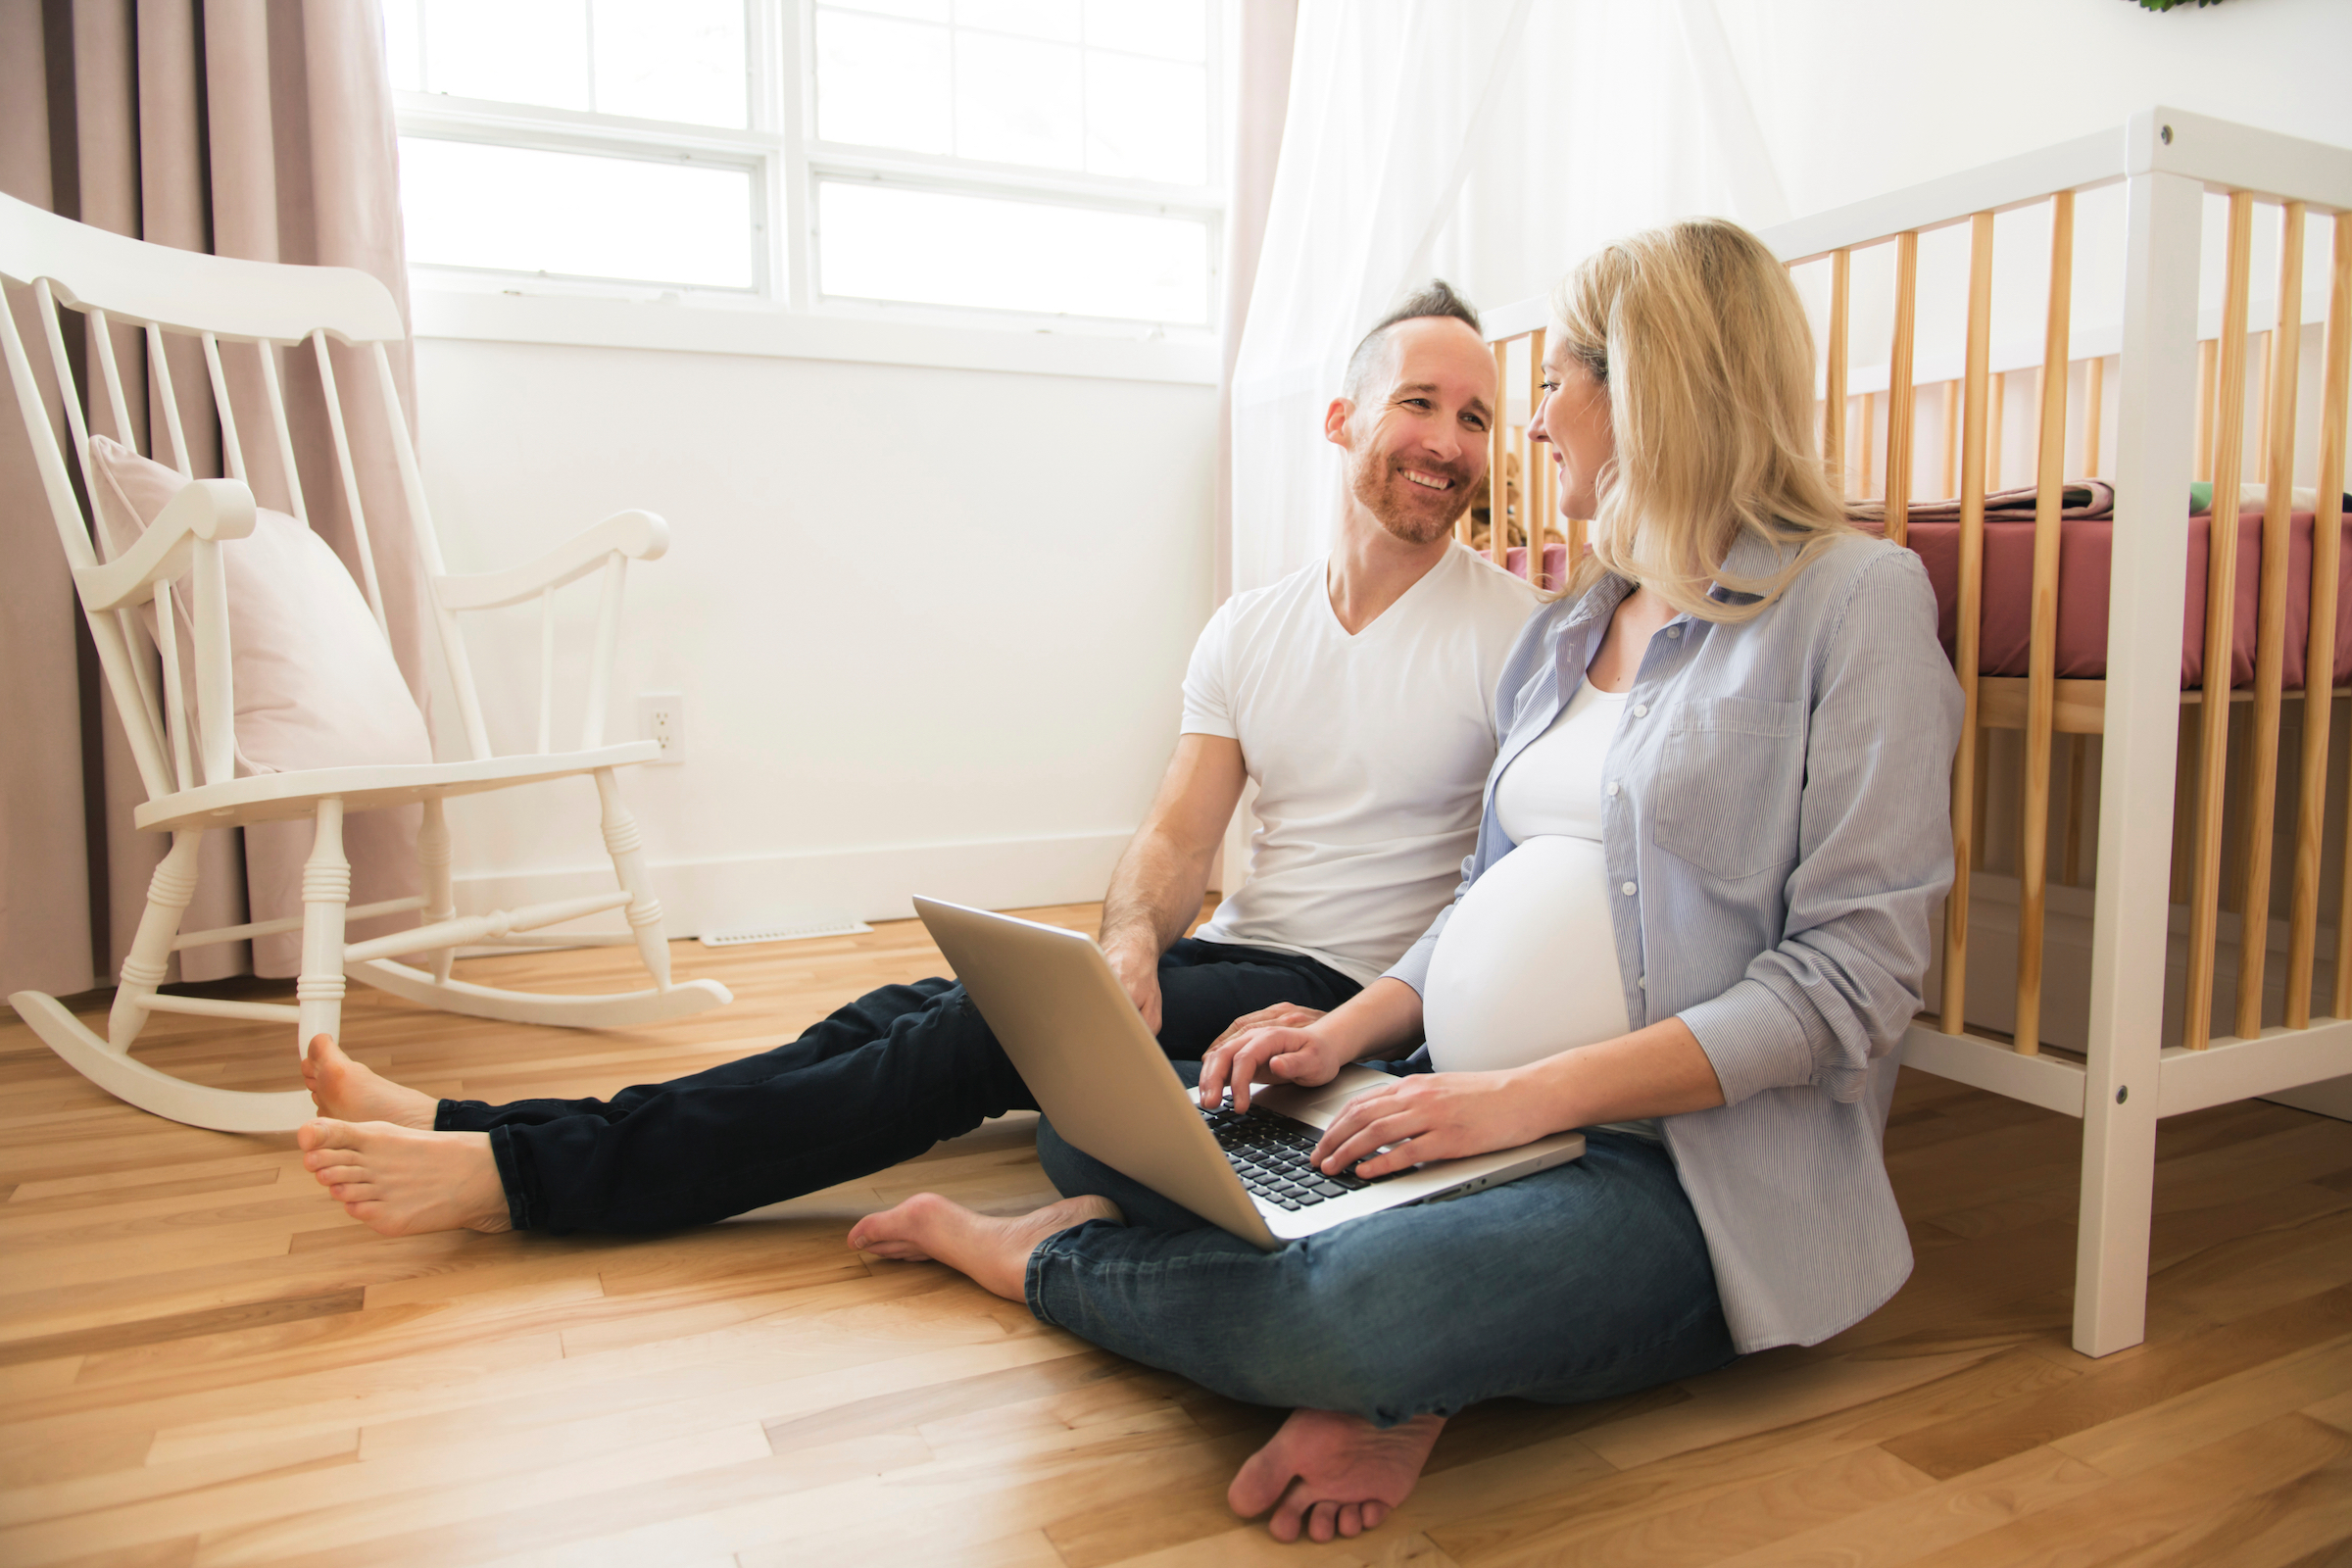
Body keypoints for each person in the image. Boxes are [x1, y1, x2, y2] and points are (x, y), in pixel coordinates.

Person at [845, 218, 1965, 1545]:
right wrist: (1347, 1030)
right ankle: (1411, 1349)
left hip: (1666, 1166)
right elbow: (1485, 902)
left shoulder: (1855, 599)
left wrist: (1514, 1099)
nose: (1538, 424)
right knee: (1094, 1123)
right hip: (1451, 1105)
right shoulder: (1572, 622)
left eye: (1557, 384)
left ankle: (1052, 1261)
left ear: (1649, 385)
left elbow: (1852, 984)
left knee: (1342, 1314)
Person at [294, 280, 1542, 1238]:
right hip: (1234, 950)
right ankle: (483, 1125)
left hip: (1339, 998)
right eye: (1418, 402)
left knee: (965, 1038)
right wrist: (1127, 945)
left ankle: (521, 1181)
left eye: (1476, 416)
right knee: (895, 1009)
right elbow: (1175, 840)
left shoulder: (1518, 640)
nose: (1446, 438)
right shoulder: (1251, 626)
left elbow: (1515, 893)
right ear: (1343, 421)